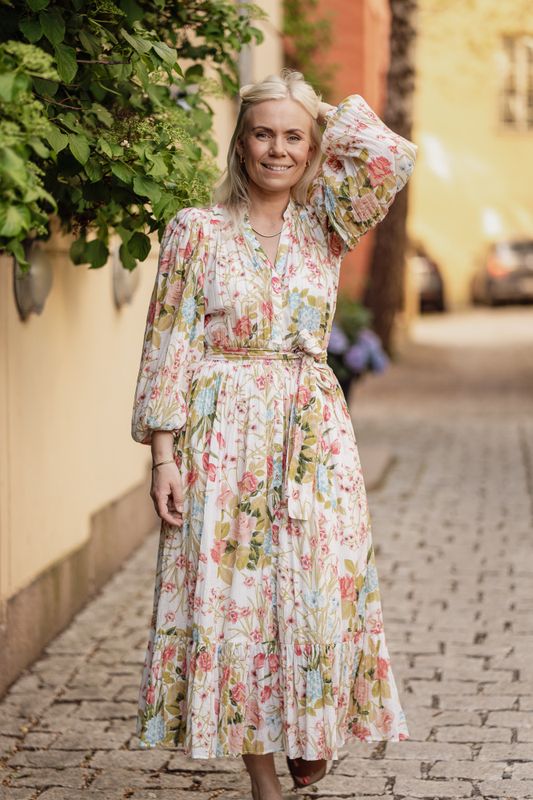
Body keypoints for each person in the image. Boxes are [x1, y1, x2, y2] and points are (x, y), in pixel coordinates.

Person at [131, 69, 417, 800]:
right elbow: (169, 343)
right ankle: (263, 773)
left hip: (310, 433)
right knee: (235, 603)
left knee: (322, 588)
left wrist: (309, 101)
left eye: (294, 137)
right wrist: (163, 456)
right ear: (240, 142)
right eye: (263, 132)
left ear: (310, 146)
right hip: (221, 433)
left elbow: (388, 157)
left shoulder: (325, 221)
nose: (278, 149)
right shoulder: (195, 231)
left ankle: (309, 728)